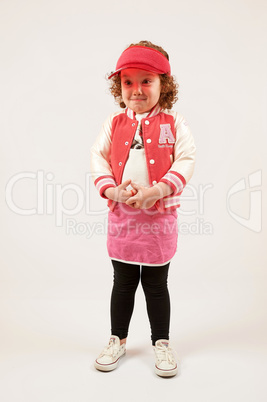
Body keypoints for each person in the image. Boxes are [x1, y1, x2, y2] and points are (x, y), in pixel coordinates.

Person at [90, 40, 196, 377]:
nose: (136, 90)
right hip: (122, 218)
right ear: (118, 86)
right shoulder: (113, 124)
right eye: (128, 82)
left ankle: (161, 342)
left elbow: (186, 159)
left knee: (155, 283)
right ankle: (117, 339)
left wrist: (158, 190)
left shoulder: (174, 123)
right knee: (122, 282)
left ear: (164, 85)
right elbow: (98, 159)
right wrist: (115, 192)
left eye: (146, 80)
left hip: (159, 219)